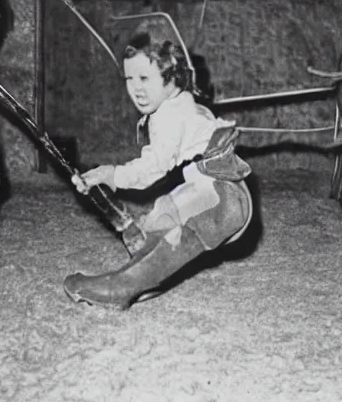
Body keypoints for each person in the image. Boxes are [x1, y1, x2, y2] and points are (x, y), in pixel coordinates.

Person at [64, 25, 253, 309]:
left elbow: (154, 166)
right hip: (215, 189)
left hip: (220, 200)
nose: (135, 88)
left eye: (144, 78)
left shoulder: (169, 114)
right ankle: (147, 275)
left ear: (170, 77)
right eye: (129, 79)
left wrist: (111, 175)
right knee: (161, 217)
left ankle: (122, 286)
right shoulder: (182, 100)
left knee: (173, 235)